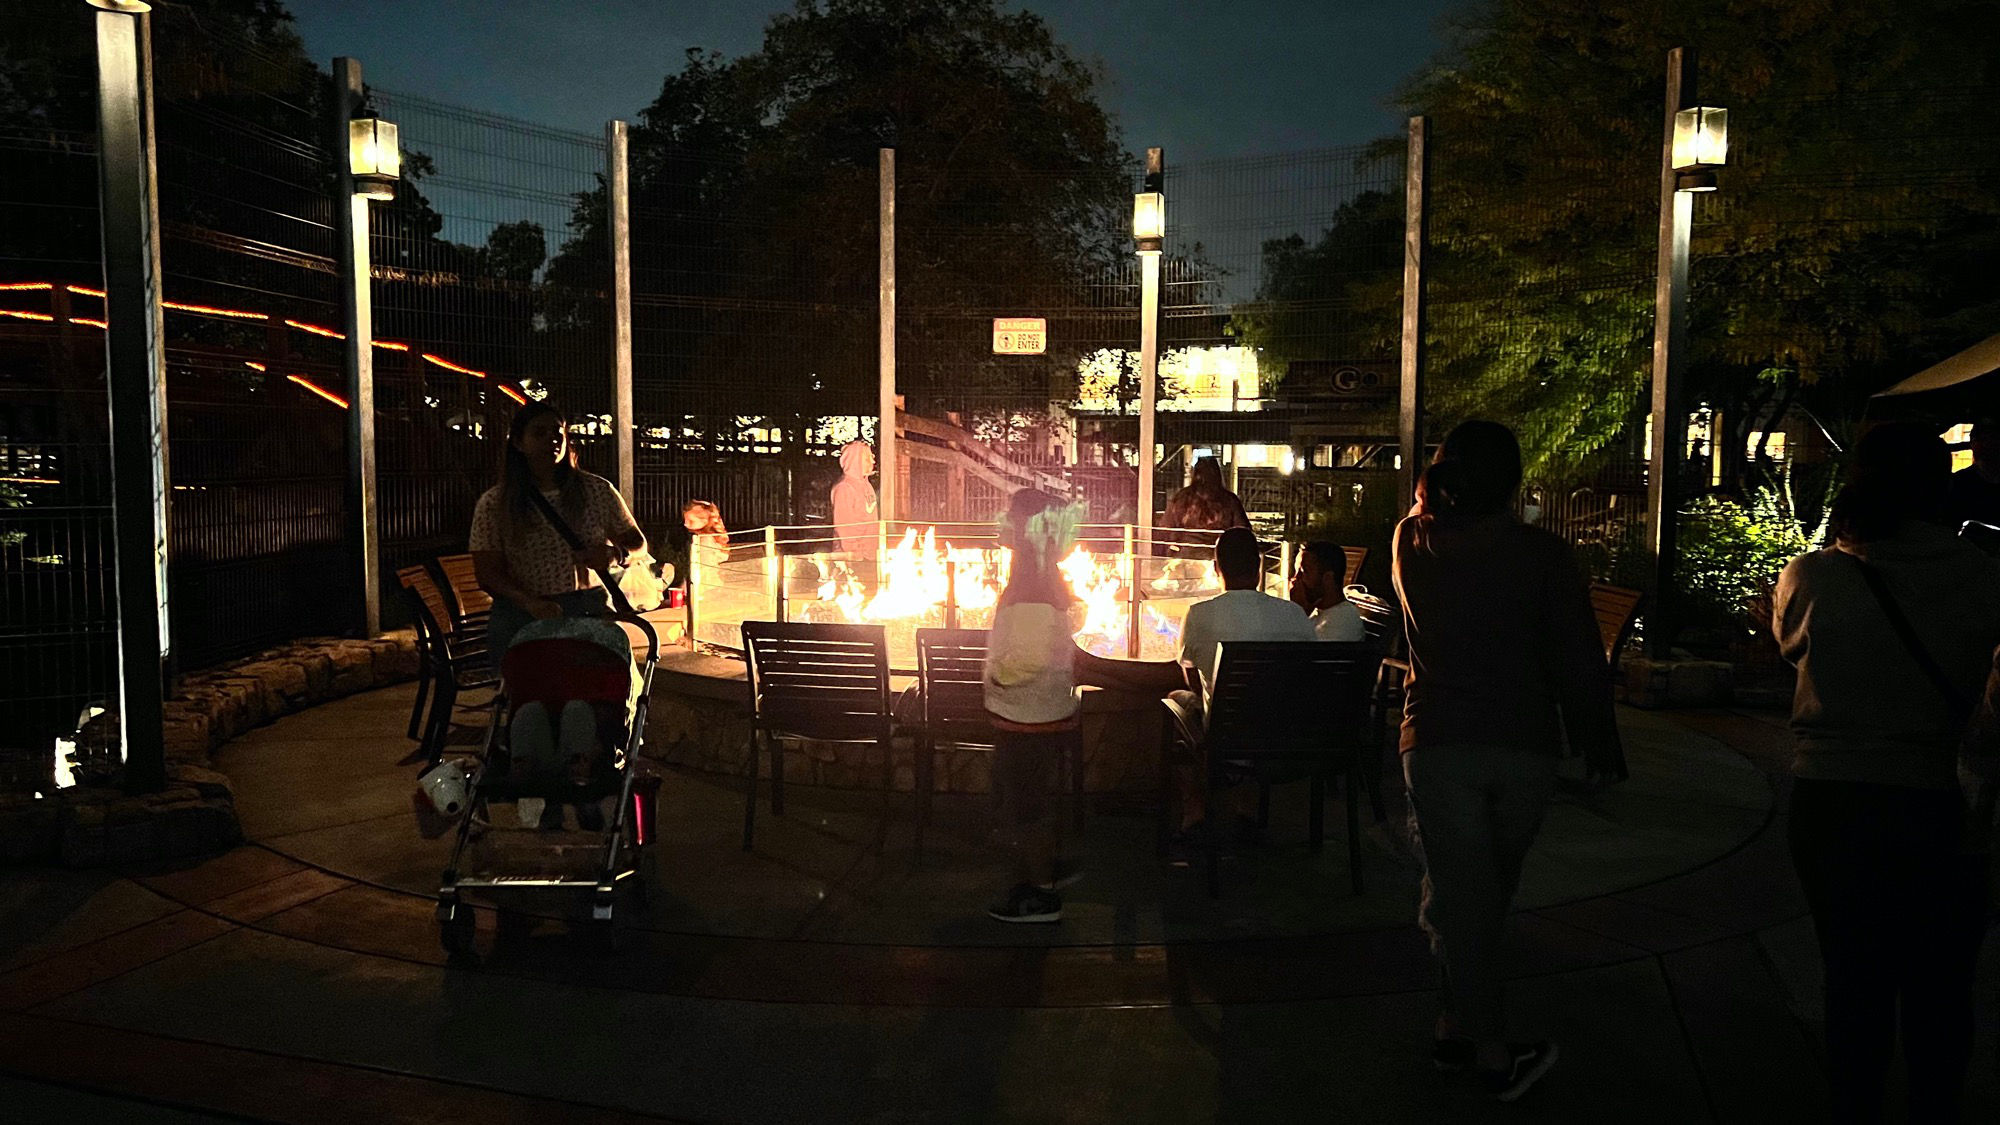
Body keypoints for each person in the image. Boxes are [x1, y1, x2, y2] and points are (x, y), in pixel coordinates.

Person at [1772, 422, 2000, 1124]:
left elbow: (1789, 645)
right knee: (1941, 982)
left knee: (1853, 976)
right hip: (1945, 799)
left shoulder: (1816, 575)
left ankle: (1855, 1104)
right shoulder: (1985, 576)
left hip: (1833, 799)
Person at [1391, 420, 1620, 1102]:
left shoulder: (1413, 542)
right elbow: (1578, 659)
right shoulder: (1544, 555)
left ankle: (1459, 1025)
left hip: (1435, 741)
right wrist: (1601, 743)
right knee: (1485, 894)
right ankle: (1490, 1052)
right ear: (1514, 483)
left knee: (1461, 892)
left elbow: (1422, 514)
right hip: (1524, 745)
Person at [470, 401, 647, 829]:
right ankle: (542, 790)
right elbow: (487, 571)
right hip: (523, 616)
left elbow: (636, 540)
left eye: (558, 431)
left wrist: (615, 553)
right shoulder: (497, 504)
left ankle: (582, 777)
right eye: (540, 433)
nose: (552, 439)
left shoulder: (595, 491)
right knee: (533, 698)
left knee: (585, 696)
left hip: (583, 608)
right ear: (517, 442)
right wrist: (528, 601)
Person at [1168, 527, 1317, 836]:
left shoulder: (1198, 614)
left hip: (1226, 735)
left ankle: (1195, 811)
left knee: (1177, 699)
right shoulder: (1296, 615)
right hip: (1284, 735)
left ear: (1216, 568)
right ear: (1259, 567)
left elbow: (1192, 678)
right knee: (1257, 705)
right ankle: (1246, 807)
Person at [1289, 541, 1367, 642]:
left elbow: (1298, 655)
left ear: (1328, 579)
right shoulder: (1316, 612)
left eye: (1303, 572)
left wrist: (1298, 613)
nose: (1295, 579)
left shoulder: (1342, 621)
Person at [1163, 455, 1250, 539]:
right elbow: (1243, 532)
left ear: (1195, 474)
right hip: (1218, 551)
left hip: (1186, 550)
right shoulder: (1230, 500)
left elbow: (1166, 528)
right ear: (1217, 474)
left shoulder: (1181, 497)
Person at [1944, 421, 2000, 533]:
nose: (1990, 445)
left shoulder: (1959, 480)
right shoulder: (1959, 481)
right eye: (1985, 440)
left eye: (1994, 439)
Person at [831, 440, 879, 557]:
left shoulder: (866, 485)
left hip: (869, 555)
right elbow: (843, 527)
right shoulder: (844, 488)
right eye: (867, 459)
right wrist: (854, 555)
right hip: (851, 557)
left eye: (872, 457)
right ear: (854, 460)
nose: (872, 461)